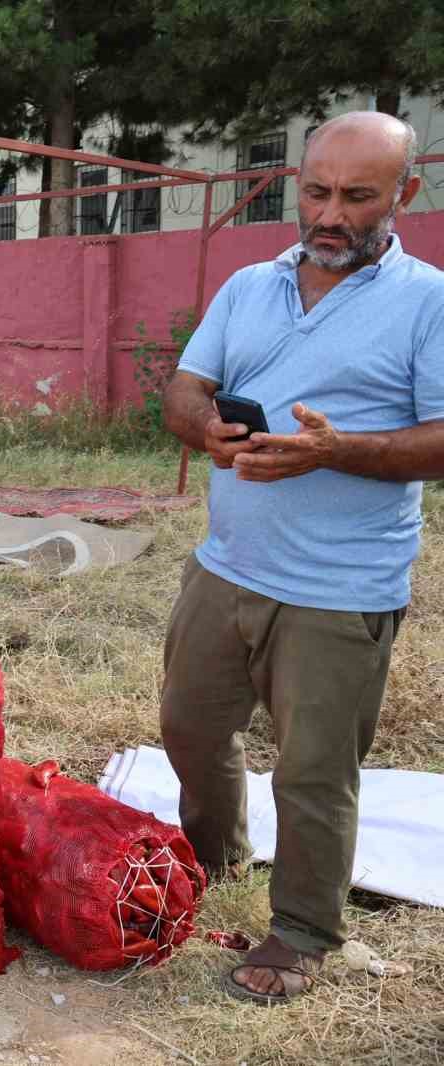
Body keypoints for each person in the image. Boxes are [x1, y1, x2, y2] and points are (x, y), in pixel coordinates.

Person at [158, 112, 442, 1006]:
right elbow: (186, 385)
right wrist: (205, 427)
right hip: (226, 564)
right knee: (191, 730)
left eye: (359, 196)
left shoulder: (428, 300)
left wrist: (335, 450)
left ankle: (303, 930)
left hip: (339, 587)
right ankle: (214, 853)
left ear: (406, 193)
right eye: (316, 191)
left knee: (316, 769)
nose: (331, 214)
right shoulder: (249, 285)